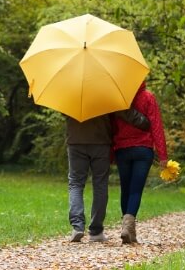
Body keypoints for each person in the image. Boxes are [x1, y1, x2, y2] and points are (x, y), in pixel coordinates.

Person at [66, 109, 149, 243]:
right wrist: (143, 121)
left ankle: (77, 227)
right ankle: (96, 231)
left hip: (76, 140)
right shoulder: (105, 89)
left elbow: (65, 111)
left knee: (76, 183)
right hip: (101, 141)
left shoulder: (70, 90)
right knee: (100, 184)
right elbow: (122, 111)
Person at [113, 82, 168, 245]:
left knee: (126, 189)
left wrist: (111, 152)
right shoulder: (148, 97)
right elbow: (156, 127)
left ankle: (129, 231)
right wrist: (163, 155)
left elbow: (112, 128)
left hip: (122, 149)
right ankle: (128, 229)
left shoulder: (118, 100)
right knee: (135, 190)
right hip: (143, 150)